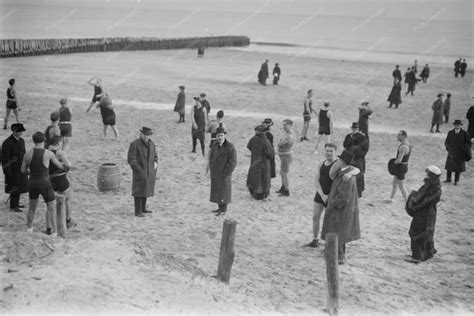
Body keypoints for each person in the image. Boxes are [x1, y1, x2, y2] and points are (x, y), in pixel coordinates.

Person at [304, 143, 360, 248]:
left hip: (332, 194)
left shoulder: (338, 163)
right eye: (327, 150)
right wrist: (322, 195)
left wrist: (350, 173)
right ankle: (315, 239)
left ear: (335, 152)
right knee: (315, 217)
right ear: (324, 151)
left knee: (331, 220)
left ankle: (329, 244)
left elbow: (356, 169)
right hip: (321, 193)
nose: (329, 153)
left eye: (331, 151)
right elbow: (316, 180)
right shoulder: (321, 163)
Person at [320, 150, 360, 264]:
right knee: (338, 231)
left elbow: (343, 197)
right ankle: (334, 253)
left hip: (340, 210)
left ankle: (339, 257)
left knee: (338, 232)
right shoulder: (345, 172)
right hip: (341, 210)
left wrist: (333, 205)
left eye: (340, 160)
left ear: (342, 161)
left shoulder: (346, 177)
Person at [22, 132, 64, 236]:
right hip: (44, 183)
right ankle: (54, 232)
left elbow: (22, 170)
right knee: (51, 207)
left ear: (33, 140)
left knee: (31, 208)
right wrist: (65, 166)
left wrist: (31, 173)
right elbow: (58, 165)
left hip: (32, 182)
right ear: (44, 141)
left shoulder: (28, 153)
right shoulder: (48, 153)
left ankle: (29, 230)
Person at [405, 165, 442, 264]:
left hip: (424, 212)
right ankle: (429, 252)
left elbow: (422, 200)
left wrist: (413, 198)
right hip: (431, 212)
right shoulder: (436, 186)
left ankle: (417, 257)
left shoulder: (429, 186)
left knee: (416, 231)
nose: (426, 175)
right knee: (427, 231)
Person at [127, 127, 158, 217]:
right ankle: (138, 211)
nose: (146, 137)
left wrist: (155, 164)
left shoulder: (152, 144)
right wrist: (139, 170)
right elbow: (131, 159)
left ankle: (143, 208)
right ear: (141, 134)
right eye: (145, 135)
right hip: (140, 171)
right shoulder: (134, 144)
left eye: (148, 135)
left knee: (146, 189)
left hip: (150, 171)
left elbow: (155, 156)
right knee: (139, 190)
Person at [47, 136, 75, 233]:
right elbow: (69, 164)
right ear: (59, 143)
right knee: (68, 199)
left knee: (50, 204)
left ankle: (49, 227)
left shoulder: (46, 151)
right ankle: (68, 220)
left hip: (49, 179)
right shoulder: (60, 153)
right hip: (60, 178)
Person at [207, 127, 237, 216]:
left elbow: (233, 162)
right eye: (218, 136)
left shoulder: (230, 146)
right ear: (216, 136)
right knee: (217, 191)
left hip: (224, 173)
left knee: (224, 192)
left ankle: (223, 210)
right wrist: (212, 169)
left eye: (221, 135)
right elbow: (211, 158)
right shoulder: (215, 145)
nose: (220, 137)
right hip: (216, 173)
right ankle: (219, 208)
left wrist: (226, 172)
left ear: (224, 135)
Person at [2, 123, 28, 212]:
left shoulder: (22, 141)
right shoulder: (7, 143)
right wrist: (7, 172)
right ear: (13, 131)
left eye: (21, 131)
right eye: (18, 131)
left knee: (19, 186)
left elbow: (24, 154)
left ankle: (16, 203)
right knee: (14, 186)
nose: (20, 133)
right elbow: (5, 159)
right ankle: (13, 205)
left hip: (21, 168)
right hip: (12, 170)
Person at [247, 124, 274, 200]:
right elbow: (270, 154)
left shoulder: (253, 139)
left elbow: (249, 147)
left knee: (254, 177)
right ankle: (261, 194)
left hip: (254, 160)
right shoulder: (266, 141)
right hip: (264, 162)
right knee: (263, 178)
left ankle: (254, 192)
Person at [343, 122, 369, 197]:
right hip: (349, 159)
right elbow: (345, 146)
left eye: (356, 129)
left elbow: (364, 150)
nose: (354, 130)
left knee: (358, 179)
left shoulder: (363, 138)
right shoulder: (348, 136)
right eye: (353, 129)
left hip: (358, 160)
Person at [443, 120, 471, 185]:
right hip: (451, 152)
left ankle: (456, 180)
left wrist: (463, 148)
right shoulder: (450, 133)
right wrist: (448, 148)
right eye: (456, 125)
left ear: (460, 126)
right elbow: (447, 142)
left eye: (458, 125)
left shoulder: (464, 133)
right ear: (454, 125)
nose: (457, 126)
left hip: (460, 153)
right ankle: (448, 179)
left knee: (458, 168)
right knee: (449, 166)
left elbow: (468, 143)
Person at [387, 130, 410, 203]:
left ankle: (408, 201)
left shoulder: (403, 147)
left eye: (399, 135)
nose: (397, 136)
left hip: (401, 168)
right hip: (401, 167)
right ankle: (391, 198)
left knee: (401, 186)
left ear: (404, 136)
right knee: (394, 183)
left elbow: (399, 160)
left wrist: (392, 163)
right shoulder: (406, 144)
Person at [275, 119, 295, 197]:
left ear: (290, 125)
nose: (284, 126)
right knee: (282, 172)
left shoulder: (289, 135)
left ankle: (286, 190)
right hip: (284, 155)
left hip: (285, 156)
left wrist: (279, 142)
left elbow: (280, 143)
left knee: (284, 173)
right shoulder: (287, 133)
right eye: (283, 124)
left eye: (285, 124)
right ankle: (283, 187)